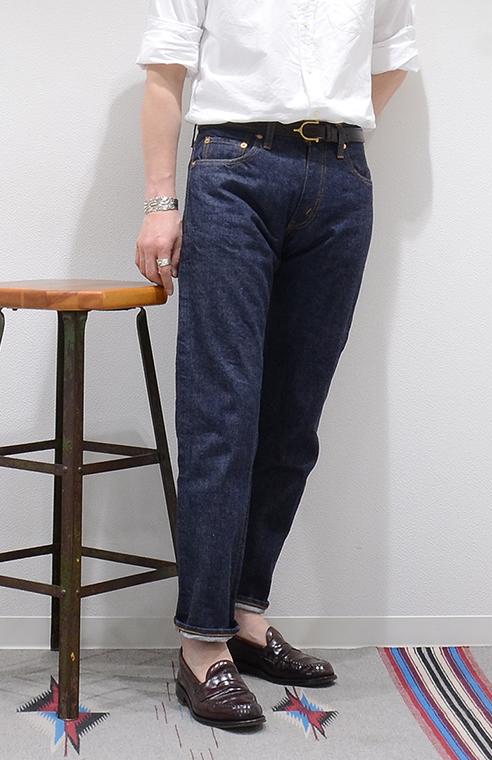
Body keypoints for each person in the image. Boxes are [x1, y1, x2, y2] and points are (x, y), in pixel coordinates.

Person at [134, 0, 420, 730]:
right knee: (221, 415)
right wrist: (161, 202)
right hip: (232, 170)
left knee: (294, 420)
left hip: (341, 179)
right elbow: (165, 70)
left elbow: (392, 57)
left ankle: (244, 615)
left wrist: (331, 128)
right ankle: (202, 643)